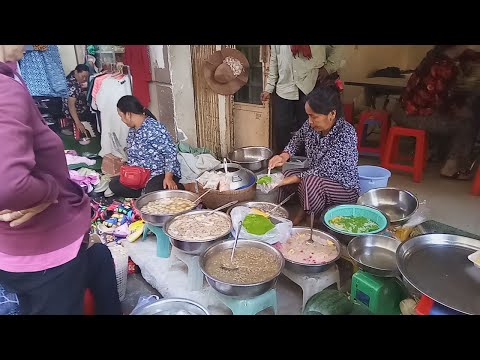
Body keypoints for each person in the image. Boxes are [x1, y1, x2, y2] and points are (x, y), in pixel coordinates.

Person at [0, 45, 92, 314]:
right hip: (43, 256)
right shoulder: (5, 90)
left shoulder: (12, 77)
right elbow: (9, 185)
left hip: (19, 251)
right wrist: (51, 190)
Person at [268, 83, 360, 225]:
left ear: (332, 114)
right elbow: (297, 139)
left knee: (308, 182)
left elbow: (323, 170)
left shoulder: (346, 134)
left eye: (314, 117)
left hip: (343, 188)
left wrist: (291, 179)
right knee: (284, 175)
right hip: (314, 177)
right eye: (308, 116)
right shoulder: (311, 125)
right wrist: (284, 156)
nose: (310, 121)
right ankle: (282, 209)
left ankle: (311, 220)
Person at [392, 45, 480, 180]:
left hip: (404, 108)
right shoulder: (443, 67)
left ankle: (435, 152)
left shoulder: (441, 53)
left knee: (463, 114)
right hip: (411, 115)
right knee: (466, 122)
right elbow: (447, 105)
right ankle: (451, 168)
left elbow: (472, 55)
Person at [261, 45, 344, 153]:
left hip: (310, 84)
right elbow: (274, 59)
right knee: (282, 128)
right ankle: (283, 162)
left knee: (310, 128)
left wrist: (329, 68)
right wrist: (269, 87)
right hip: (285, 87)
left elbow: (338, 47)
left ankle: (307, 162)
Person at [106, 95, 183, 198]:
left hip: (158, 174)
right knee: (114, 184)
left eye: (121, 116)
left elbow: (171, 153)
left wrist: (168, 178)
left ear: (128, 114)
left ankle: (181, 187)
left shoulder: (154, 128)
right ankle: (144, 193)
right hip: (139, 175)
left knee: (153, 192)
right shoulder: (133, 130)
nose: (122, 120)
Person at [62, 63, 92, 139]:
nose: (84, 79)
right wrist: (78, 123)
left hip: (68, 109)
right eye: (83, 76)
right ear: (76, 72)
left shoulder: (70, 79)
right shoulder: (74, 86)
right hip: (76, 112)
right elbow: (71, 106)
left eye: (86, 77)